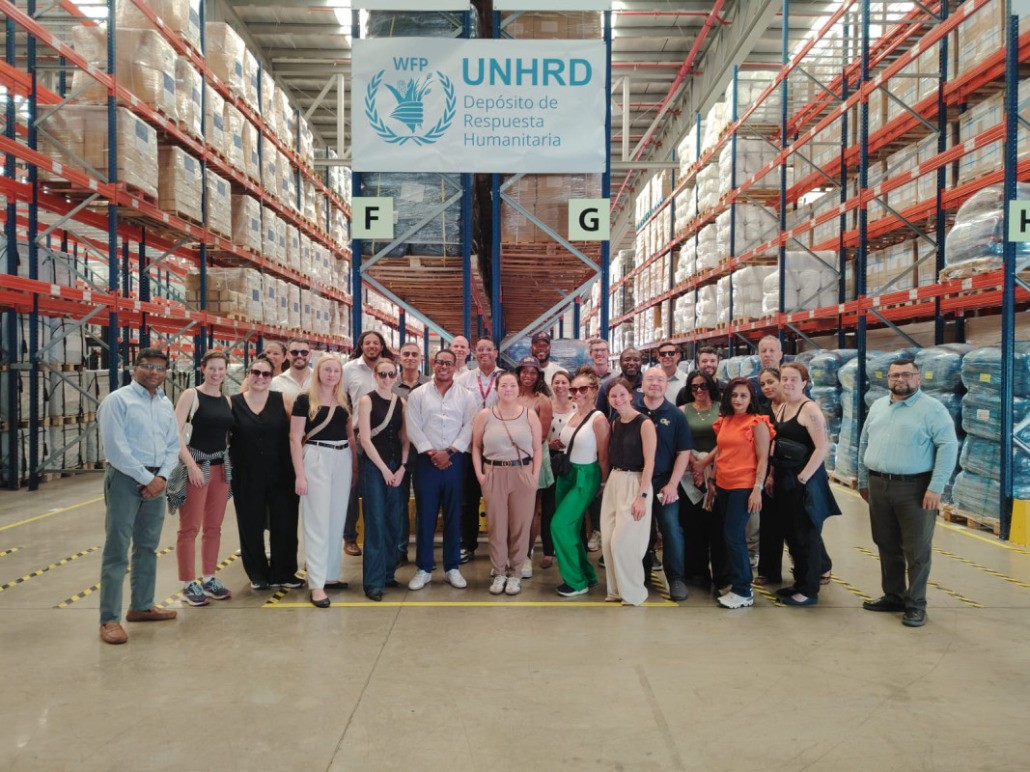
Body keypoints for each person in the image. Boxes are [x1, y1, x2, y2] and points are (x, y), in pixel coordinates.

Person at [858, 356, 959, 627]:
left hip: (915, 488)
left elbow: (948, 446)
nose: (900, 379)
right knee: (886, 543)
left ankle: (916, 604)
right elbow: (864, 441)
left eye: (906, 374)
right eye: (895, 375)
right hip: (878, 484)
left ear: (918, 377)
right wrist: (863, 480)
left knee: (917, 550)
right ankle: (894, 595)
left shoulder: (932, 409)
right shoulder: (878, 406)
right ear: (887, 379)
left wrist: (936, 487)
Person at [96, 348, 180, 645]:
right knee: (117, 548)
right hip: (125, 479)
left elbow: (173, 444)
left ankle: (141, 606)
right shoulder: (117, 401)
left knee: (147, 545)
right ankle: (109, 619)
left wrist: (162, 477)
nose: (154, 372)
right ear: (135, 368)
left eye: (160, 368)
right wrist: (148, 479)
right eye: (148, 366)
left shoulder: (165, 403)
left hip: (157, 479)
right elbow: (115, 448)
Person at [405, 348, 478, 591]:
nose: (444, 367)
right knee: (425, 515)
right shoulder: (418, 394)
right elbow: (413, 426)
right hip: (426, 462)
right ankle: (424, 568)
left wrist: (450, 451)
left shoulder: (466, 396)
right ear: (432, 364)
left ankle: (452, 568)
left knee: (454, 514)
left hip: (455, 461)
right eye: (440, 362)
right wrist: (431, 452)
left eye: (448, 363)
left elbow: (470, 426)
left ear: (456, 366)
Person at [290, 354, 357, 608]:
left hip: (342, 457)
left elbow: (350, 436)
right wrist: (300, 474)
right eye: (327, 370)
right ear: (318, 372)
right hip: (316, 456)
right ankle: (316, 584)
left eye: (336, 371)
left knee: (336, 519)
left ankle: (330, 575)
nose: (331, 375)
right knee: (316, 522)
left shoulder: (344, 398)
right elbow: (295, 437)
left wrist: (354, 466)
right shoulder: (304, 400)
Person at [771, 363, 841, 607]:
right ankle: (800, 583)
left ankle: (809, 590)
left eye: (794, 379)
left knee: (806, 535)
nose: (788, 383)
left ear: (804, 383)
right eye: (784, 378)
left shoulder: (809, 409)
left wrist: (803, 477)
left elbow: (822, 447)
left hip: (804, 482)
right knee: (792, 534)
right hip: (785, 479)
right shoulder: (783, 407)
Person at [230, 355, 302, 591]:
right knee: (250, 524)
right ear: (248, 375)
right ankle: (257, 574)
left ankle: (284, 572)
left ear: (272, 377)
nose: (260, 377)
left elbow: (298, 433)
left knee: (285, 523)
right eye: (256, 373)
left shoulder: (283, 400)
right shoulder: (233, 403)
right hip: (247, 474)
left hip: (282, 472)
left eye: (266, 374)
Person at [169, 349, 235, 607]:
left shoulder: (226, 400)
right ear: (202, 369)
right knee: (190, 527)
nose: (216, 373)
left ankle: (209, 577)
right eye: (212, 368)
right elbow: (175, 433)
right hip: (196, 466)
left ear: (226, 371)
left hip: (220, 468)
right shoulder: (191, 395)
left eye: (221, 369)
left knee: (214, 527)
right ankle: (188, 582)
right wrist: (191, 466)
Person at [702, 378, 773, 609]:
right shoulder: (725, 420)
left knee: (734, 536)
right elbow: (721, 451)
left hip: (744, 486)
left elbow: (763, 459)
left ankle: (743, 590)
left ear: (751, 398)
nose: (738, 400)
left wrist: (757, 489)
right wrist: (712, 478)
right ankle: (734, 582)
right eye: (734, 395)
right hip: (723, 484)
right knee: (726, 536)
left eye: (743, 395)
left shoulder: (757, 422)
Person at [472, 371, 543, 596]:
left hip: (522, 473)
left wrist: (534, 477)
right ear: (497, 389)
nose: (508, 389)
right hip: (493, 473)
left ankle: (515, 574)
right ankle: (499, 571)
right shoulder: (485, 415)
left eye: (512, 385)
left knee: (521, 526)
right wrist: (481, 475)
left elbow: (538, 448)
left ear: (518, 389)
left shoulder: (529, 415)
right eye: (504, 385)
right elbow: (476, 447)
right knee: (497, 526)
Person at [634, 367, 693, 601]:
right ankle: (642, 570)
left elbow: (683, 452)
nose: (655, 383)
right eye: (650, 379)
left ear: (666, 385)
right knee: (640, 528)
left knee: (671, 527)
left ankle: (676, 578)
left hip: (664, 481)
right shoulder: (632, 411)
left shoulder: (676, 415)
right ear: (642, 384)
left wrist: (672, 484)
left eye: (660, 380)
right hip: (637, 481)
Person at [551, 370, 609, 597]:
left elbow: (603, 456)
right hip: (568, 474)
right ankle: (587, 575)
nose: (577, 393)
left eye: (583, 389)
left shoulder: (599, 419)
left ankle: (576, 582)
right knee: (572, 528)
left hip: (586, 476)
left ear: (594, 390)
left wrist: (603, 484)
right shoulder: (574, 414)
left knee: (560, 525)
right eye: (574, 389)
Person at [600, 379, 656, 606]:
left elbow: (650, 462)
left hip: (636, 481)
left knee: (623, 543)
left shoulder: (645, 423)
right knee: (607, 541)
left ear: (631, 395)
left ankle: (634, 593)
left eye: (622, 394)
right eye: (613, 396)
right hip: (615, 480)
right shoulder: (615, 423)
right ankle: (616, 591)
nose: (618, 399)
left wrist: (642, 496)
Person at [357, 358, 408, 602]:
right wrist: (384, 469)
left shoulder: (401, 402)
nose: (387, 378)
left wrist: (402, 467)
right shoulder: (366, 401)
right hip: (374, 467)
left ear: (396, 377)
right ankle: (373, 582)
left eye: (391, 374)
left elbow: (405, 438)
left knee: (393, 521)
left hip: (396, 466)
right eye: (382, 374)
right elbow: (365, 439)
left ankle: (388, 574)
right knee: (375, 523)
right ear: (375, 376)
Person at [456, 337, 506, 564]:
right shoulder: (463, 379)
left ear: (496, 353)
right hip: (469, 448)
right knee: (468, 500)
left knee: (499, 501)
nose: (485, 353)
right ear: (475, 353)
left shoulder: (505, 378)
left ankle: (500, 547)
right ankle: (467, 544)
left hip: (498, 450)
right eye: (480, 350)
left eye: (489, 349)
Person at [343, 330, 393, 557]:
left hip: (384, 437)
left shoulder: (389, 368)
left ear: (382, 346)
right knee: (353, 487)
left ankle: (380, 535)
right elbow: (342, 401)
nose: (372, 346)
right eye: (367, 342)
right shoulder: (349, 369)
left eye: (376, 342)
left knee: (381, 486)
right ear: (361, 346)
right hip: (356, 435)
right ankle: (350, 537)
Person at [679, 371, 726, 591]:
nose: (699, 390)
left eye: (703, 386)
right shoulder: (682, 411)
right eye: (694, 387)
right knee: (692, 524)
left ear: (711, 387)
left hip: (718, 472)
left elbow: (726, 439)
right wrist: (694, 463)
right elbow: (680, 440)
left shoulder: (722, 409)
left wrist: (705, 462)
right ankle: (696, 571)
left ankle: (721, 573)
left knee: (716, 524)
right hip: (690, 475)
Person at [515, 356, 554, 578]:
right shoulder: (510, 394)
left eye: (533, 372)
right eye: (524, 371)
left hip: (533, 459)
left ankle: (527, 554)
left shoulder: (542, 401)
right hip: (510, 460)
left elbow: (542, 436)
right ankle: (512, 552)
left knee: (530, 509)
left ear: (538, 375)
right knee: (512, 509)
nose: (528, 376)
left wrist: (519, 454)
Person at [392, 340, 428, 564]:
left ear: (421, 358)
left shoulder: (431, 384)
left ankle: (424, 551)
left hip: (424, 453)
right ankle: (399, 549)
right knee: (399, 502)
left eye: (415, 354)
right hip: (397, 452)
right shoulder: (391, 384)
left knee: (425, 503)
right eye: (406, 354)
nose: (410, 358)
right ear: (399, 358)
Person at [755, 366, 789, 586]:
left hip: (792, 471)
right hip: (768, 469)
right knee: (769, 524)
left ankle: (819, 567)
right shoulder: (763, 411)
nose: (766, 387)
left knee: (798, 523)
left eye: (770, 382)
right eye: (762, 384)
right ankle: (769, 571)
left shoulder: (795, 407)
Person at [542, 369, 575, 568]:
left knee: (570, 506)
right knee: (549, 506)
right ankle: (548, 551)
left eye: (564, 382)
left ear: (570, 385)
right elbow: (538, 433)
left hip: (573, 459)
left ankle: (570, 548)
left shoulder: (577, 407)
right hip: (551, 459)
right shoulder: (546, 406)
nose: (560, 386)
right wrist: (549, 445)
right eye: (557, 382)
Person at [596, 348, 643, 420]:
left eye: (636, 360)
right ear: (620, 363)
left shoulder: (649, 386)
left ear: (641, 362)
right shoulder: (607, 386)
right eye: (627, 359)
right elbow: (600, 416)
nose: (631, 363)